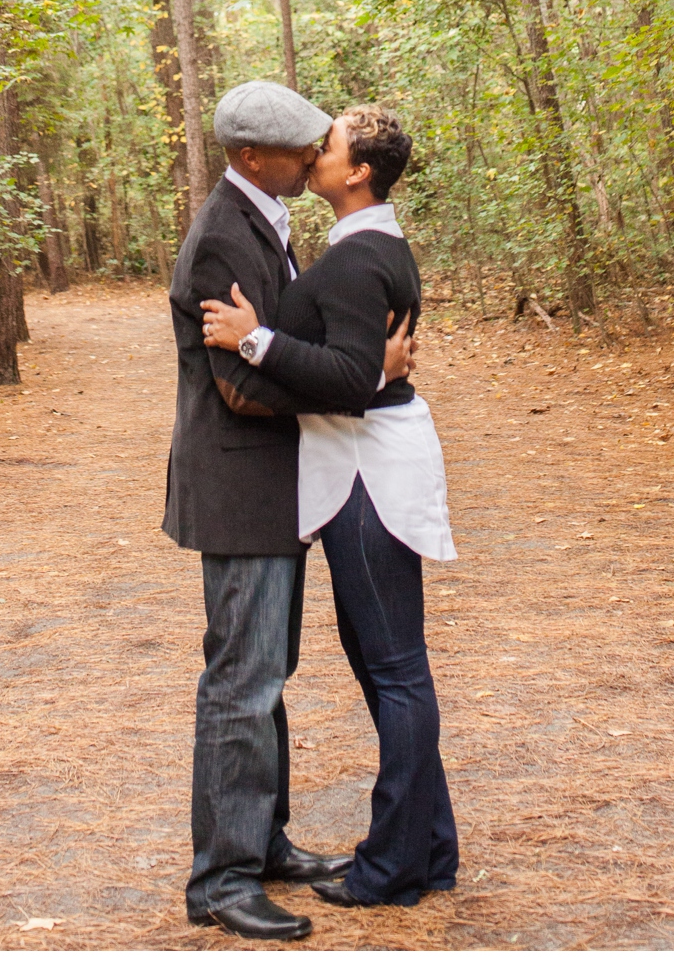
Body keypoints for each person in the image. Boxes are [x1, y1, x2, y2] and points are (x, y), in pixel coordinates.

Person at [162, 79, 415, 941]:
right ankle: (221, 880)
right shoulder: (221, 240)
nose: (315, 157)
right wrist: (359, 380)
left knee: (266, 678)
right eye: (300, 149)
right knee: (240, 683)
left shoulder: (269, 215)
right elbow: (237, 387)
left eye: (320, 142)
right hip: (239, 487)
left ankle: (262, 842)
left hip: (275, 485)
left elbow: (282, 348)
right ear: (248, 158)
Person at [201, 103, 458, 912]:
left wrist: (254, 339)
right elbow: (360, 365)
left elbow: (349, 376)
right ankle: (430, 846)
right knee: (388, 664)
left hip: (368, 471)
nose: (317, 149)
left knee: (394, 668)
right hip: (363, 461)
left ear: (357, 173)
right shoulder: (367, 244)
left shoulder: (355, 258)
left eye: (332, 143)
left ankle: (393, 865)